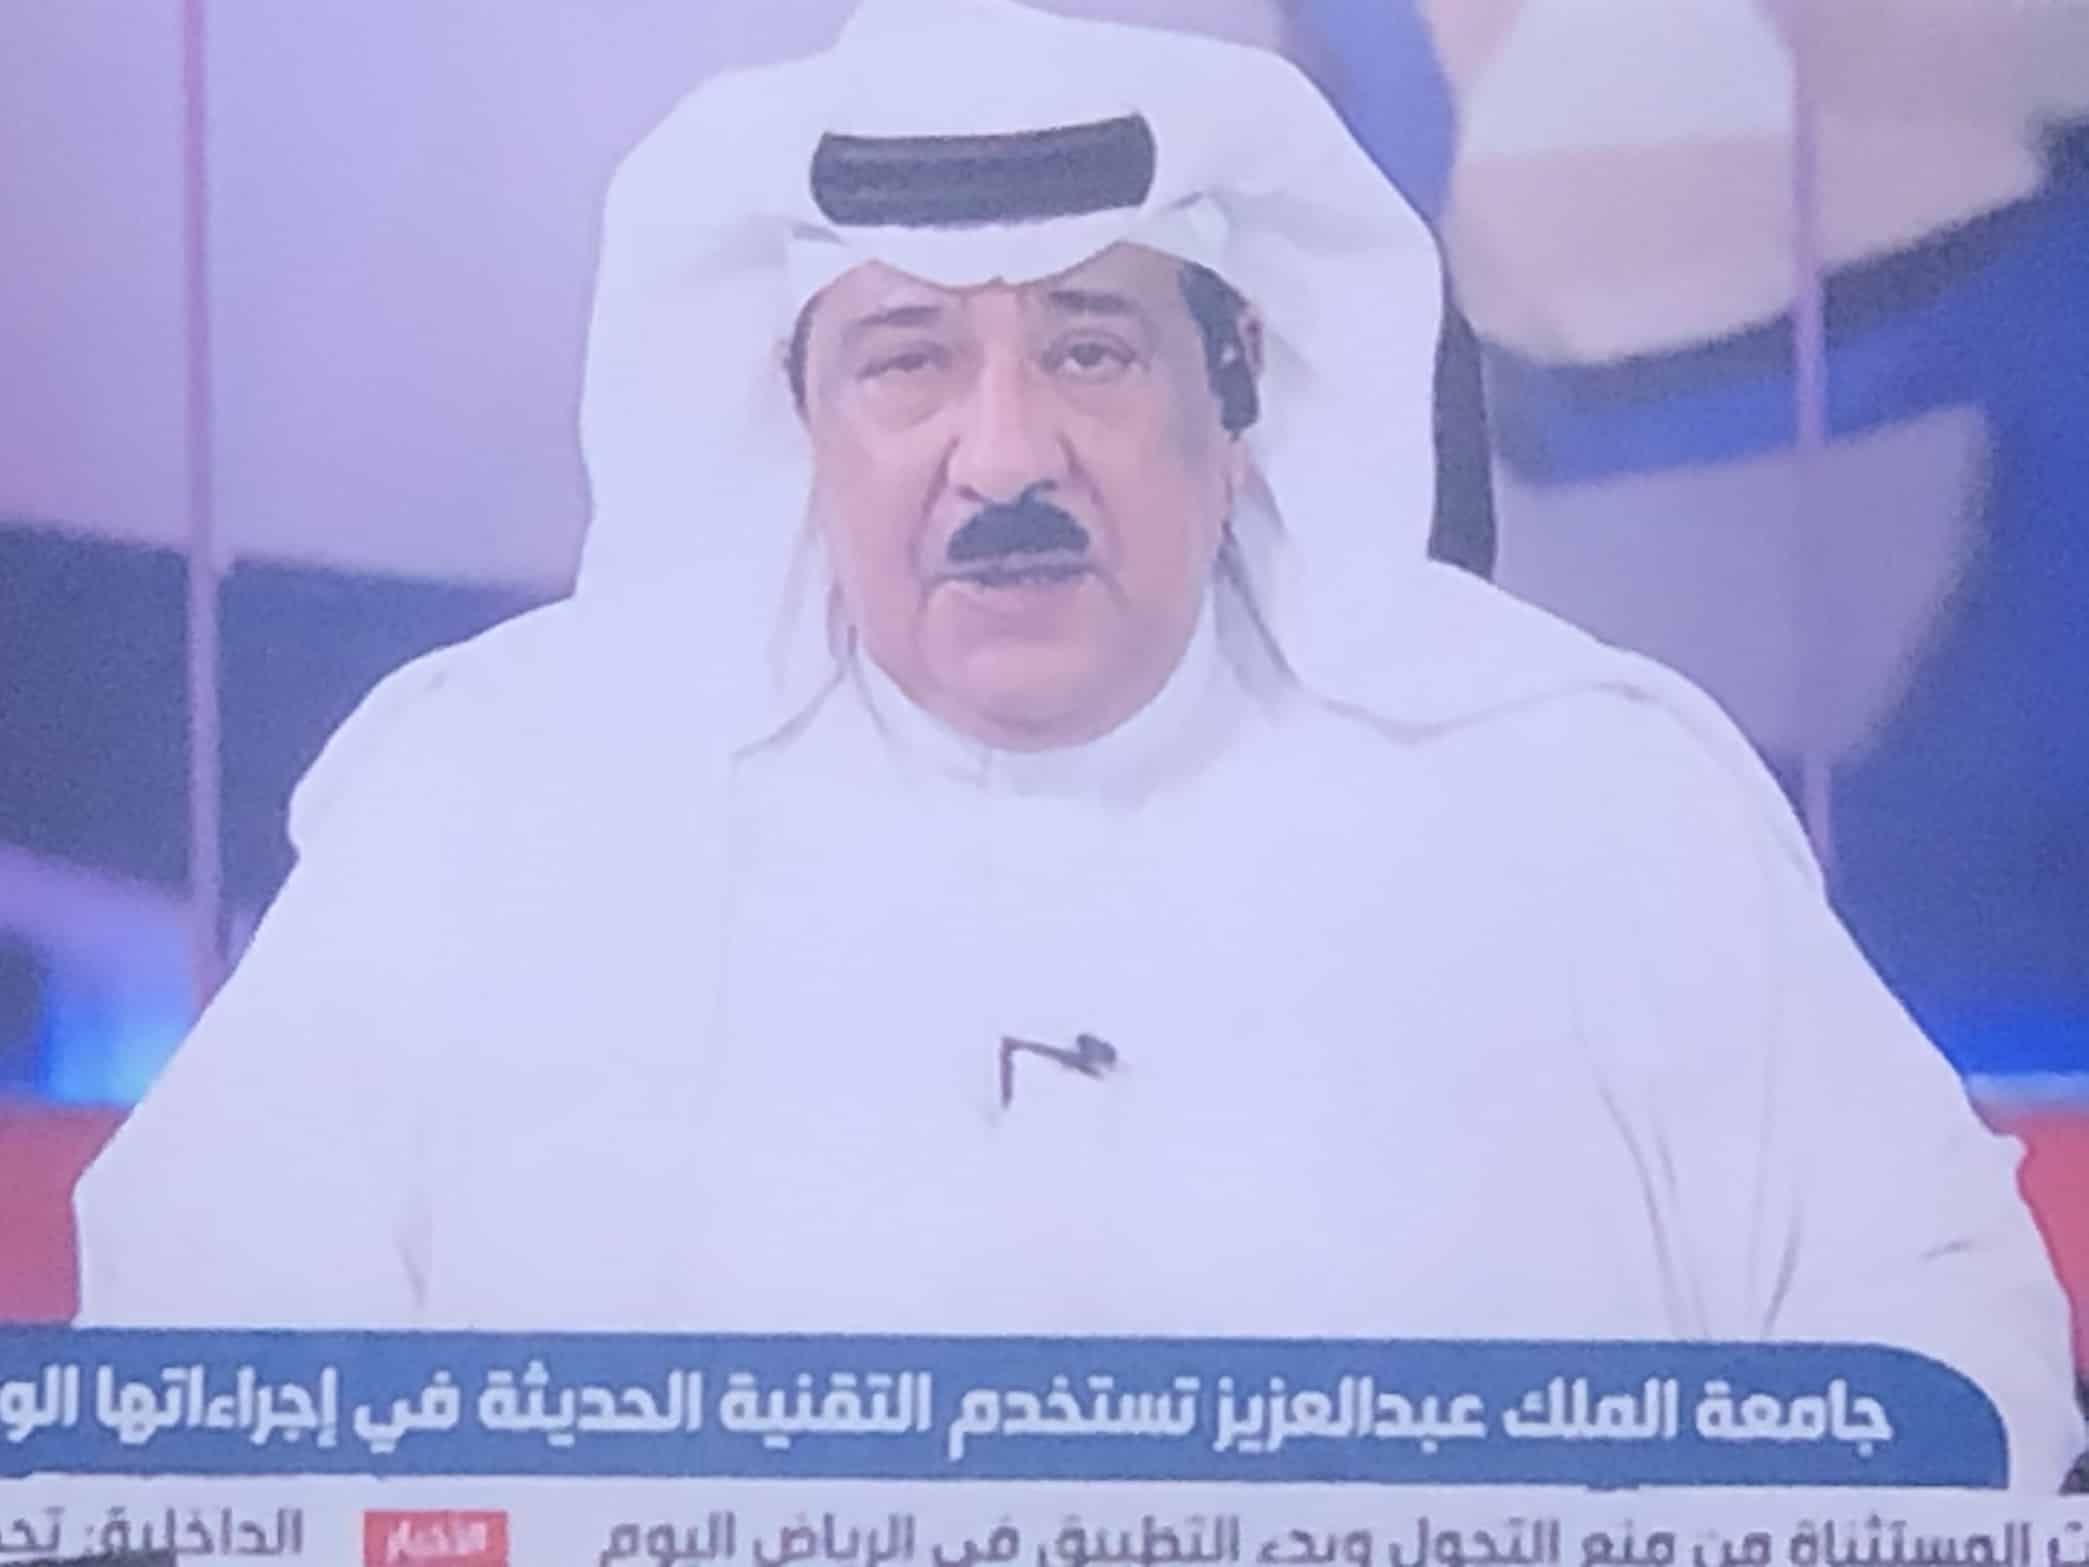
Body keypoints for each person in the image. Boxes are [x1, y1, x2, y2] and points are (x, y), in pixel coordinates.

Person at [73, 0, 2084, 1487]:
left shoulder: (1586, 799)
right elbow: (196, 1383)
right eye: (907, 361)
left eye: (1091, 351)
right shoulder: (486, 812)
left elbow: (1942, 1357)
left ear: (1238, 392)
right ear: (798, 418)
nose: (1005, 452)